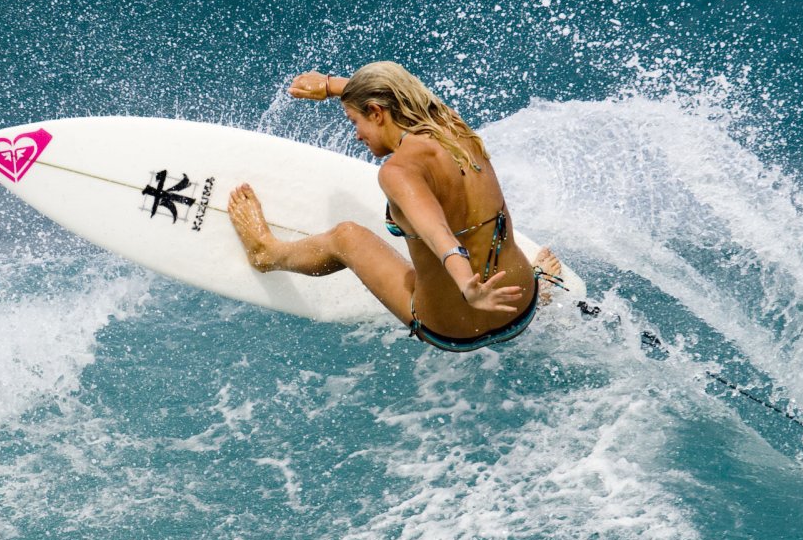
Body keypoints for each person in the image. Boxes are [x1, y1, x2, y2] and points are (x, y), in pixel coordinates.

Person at [227, 62, 560, 352]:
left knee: (347, 236)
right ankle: (542, 289)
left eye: (354, 121)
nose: (357, 135)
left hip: (452, 328)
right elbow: (410, 96)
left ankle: (266, 253)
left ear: (376, 112)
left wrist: (466, 287)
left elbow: (437, 232)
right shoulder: (457, 130)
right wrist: (330, 86)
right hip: (519, 306)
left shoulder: (399, 171)